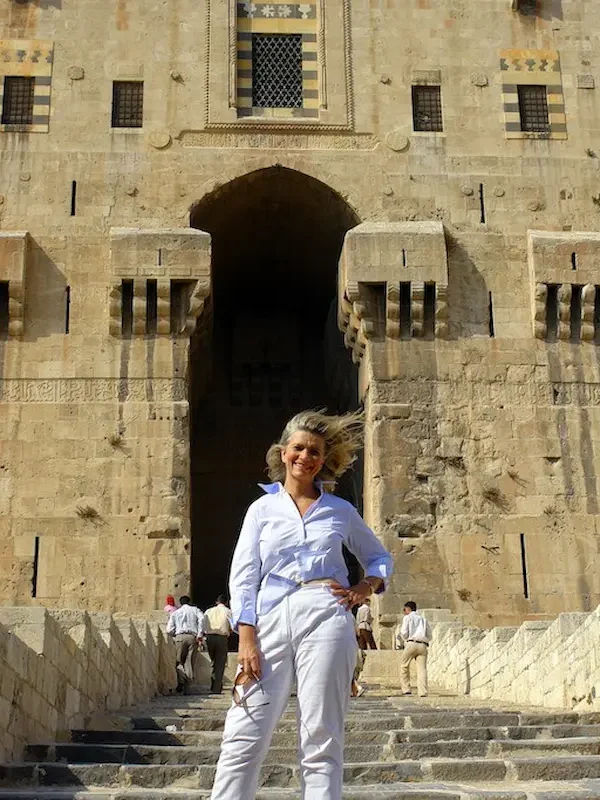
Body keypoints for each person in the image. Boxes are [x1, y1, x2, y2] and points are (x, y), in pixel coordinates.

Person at [210, 410, 393, 800]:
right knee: (244, 731)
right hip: (271, 614)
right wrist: (246, 635)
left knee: (321, 735)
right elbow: (244, 574)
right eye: (299, 448)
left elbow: (379, 557)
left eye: (315, 451)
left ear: (323, 460)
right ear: (283, 452)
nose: (305, 457)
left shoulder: (340, 511)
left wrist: (365, 584)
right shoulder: (261, 509)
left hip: (326, 613)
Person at [166, 595, 205, 694]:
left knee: (178, 662)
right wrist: (200, 634)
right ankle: (187, 688)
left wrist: (174, 634)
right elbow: (202, 619)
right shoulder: (195, 610)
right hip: (192, 637)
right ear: (190, 602)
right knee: (189, 662)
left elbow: (169, 629)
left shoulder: (176, 612)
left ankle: (181, 681)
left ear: (180, 603)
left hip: (179, 637)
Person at [399, 600, 432, 698]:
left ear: (408, 609)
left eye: (404, 609)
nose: (404, 611)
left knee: (404, 666)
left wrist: (406, 640)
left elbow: (404, 632)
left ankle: (406, 689)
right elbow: (429, 635)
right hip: (423, 645)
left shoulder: (407, 618)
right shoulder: (423, 619)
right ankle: (423, 691)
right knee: (422, 669)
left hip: (411, 643)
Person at [204, 594, 233, 694]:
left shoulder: (208, 611)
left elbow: (203, 624)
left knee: (213, 662)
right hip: (222, 637)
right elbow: (233, 626)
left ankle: (213, 685)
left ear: (217, 602)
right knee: (220, 663)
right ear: (226, 603)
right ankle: (216, 688)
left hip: (209, 637)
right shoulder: (228, 611)